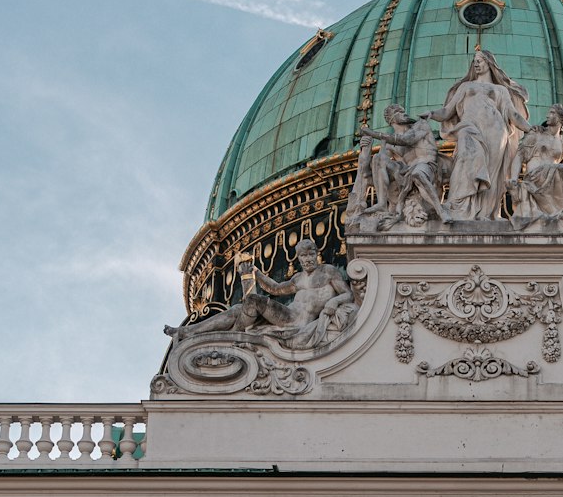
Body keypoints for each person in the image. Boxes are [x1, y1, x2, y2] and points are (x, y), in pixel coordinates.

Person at [165, 239, 356, 350]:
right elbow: (275, 289)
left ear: (316, 253)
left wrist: (335, 302)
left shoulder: (329, 272)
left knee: (252, 300)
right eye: (303, 257)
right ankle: (186, 332)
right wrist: (256, 273)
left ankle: (232, 336)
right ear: (298, 259)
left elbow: (348, 294)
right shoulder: (298, 279)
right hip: (286, 315)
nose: (307, 260)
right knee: (239, 308)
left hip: (298, 322)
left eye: (309, 255)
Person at [429, 49, 530, 220]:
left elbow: (514, 115)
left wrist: (531, 129)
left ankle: (488, 213)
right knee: (465, 162)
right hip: (469, 129)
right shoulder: (466, 86)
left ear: (490, 63)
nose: (476, 63)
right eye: (474, 60)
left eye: (480, 60)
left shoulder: (500, 89)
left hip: (496, 132)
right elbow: (447, 112)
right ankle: (460, 208)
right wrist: (431, 114)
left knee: (492, 173)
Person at [365, 105, 451, 227]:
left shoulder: (420, 125)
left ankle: (441, 211)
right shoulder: (389, 144)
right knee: (378, 158)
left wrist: (375, 134)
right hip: (406, 170)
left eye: (403, 111)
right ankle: (382, 203)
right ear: (392, 119)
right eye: (399, 112)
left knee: (417, 174)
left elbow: (407, 140)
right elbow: (373, 169)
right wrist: (366, 151)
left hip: (426, 164)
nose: (404, 113)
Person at [510, 105, 563, 223]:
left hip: (554, 179)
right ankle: (562, 213)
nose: (547, 116)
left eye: (552, 113)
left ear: (560, 119)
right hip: (535, 177)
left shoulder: (562, 142)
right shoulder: (536, 135)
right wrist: (513, 179)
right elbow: (519, 155)